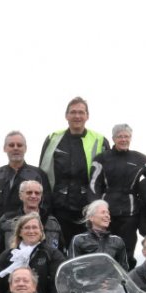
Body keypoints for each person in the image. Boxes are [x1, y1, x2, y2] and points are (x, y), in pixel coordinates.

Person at [39, 97, 110, 244]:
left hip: (88, 208)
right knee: (57, 248)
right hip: (57, 206)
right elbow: (42, 171)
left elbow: (107, 177)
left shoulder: (100, 140)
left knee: (86, 248)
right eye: (73, 112)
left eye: (81, 112)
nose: (77, 116)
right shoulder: (53, 138)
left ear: (87, 116)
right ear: (66, 115)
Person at [90, 124, 146, 268]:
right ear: (113, 139)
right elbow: (93, 184)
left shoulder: (140, 158)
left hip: (130, 213)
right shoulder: (101, 158)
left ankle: (128, 277)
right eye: (120, 136)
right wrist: (95, 207)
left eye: (126, 136)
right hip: (106, 212)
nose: (123, 139)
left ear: (130, 138)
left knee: (127, 250)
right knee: (104, 248)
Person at [0, 131, 52, 243]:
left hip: (30, 235)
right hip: (0, 236)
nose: (15, 148)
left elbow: (47, 206)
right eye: (11, 145)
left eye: (19, 145)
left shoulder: (38, 174)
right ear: (5, 148)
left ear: (25, 148)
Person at [0, 212, 66, 293]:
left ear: (41, 231)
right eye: (27, 228)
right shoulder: (7, 256)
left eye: (34, 227)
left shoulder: (52, 255)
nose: (31, 231)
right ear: (20, 232)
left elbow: (59, 285)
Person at [0, 179, 63, 255]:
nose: (33, 196)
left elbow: (61, 252)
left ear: (41, 196)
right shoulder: (7, 220)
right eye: (29, 193)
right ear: (20, 196)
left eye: (37, 193)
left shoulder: (52, 222)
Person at [69, 200, 130, 269]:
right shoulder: (78, 240)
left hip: (111, 276)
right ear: (91, 217)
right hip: (88, 276)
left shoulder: (117, 241)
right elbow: (73, 268)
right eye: (103, 212)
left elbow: (124, 269)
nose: (107, 216)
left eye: (108, 213)